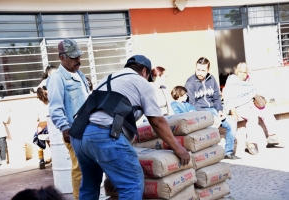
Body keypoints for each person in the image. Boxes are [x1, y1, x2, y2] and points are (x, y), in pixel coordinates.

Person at [68, 55, 190, 200]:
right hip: (103, 135)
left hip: (80, 136)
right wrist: (177, 148)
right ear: (144, 71)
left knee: (89, 186)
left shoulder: (108, 78)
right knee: (131, 184)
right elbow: (157, 121)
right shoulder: (142, 83)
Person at [47, 39, 90, 200]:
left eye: (78, 56)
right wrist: (65, 128)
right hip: (74, 131)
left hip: (89, 129)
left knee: (90, 167)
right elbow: (55, 108)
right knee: (80, 168)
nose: (78, 60)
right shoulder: (57, 78)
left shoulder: (79, 74)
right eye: (73, 58)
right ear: (62, 58)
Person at [185, 57, 239, 160]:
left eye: (203, 70)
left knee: (232, 123)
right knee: (211, 128)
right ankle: (212, 156)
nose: (200, 72)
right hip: (201, 112)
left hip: (214, 110)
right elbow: (191, 104)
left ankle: (228, 152)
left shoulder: (212, 79)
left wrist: (219, 111)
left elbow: (217, 98)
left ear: (208, 70)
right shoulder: (190, 82)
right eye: (198, 69)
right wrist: (210, 116)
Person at [223, 62, 279, 155]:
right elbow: (230, 98)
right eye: (240, 72)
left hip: (251, 103)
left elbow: (253, 92)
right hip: (239, 106)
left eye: (244, 72)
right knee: (253, 117)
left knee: (266, 112)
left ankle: (272, 136)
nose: (242, 74)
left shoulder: (249, 82)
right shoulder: (232, 80)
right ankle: (251, 143)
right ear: (236, 71)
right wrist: (233, 113)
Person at [35, 65, 58, 169]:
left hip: (41, 124)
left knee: (38, 140)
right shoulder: (51, 100)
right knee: (52, 142)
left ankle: (41, 159)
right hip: (50, 123)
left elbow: (35, 116)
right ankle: (54, 159)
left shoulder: (38, 102)